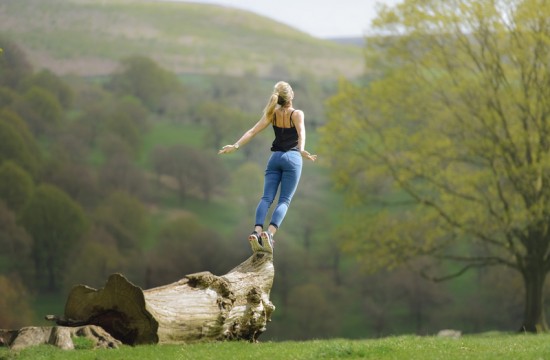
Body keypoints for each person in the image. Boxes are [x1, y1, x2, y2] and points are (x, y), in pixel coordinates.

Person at [218, 81, 317, 254]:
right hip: (292, 158)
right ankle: (269, 234)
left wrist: (235, 146)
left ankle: (256, 232)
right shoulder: (297, 114)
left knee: (266, 198)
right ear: (291, 95)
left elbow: (252, 131)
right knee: (284, 200)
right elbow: (301, 132)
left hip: (275, 159)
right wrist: (301, 150)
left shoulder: (273, 114)